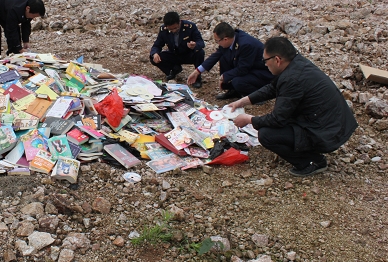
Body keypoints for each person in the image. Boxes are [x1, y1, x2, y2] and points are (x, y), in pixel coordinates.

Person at [228, 37, 358, 177]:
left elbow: (277, 119)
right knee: (275, 125)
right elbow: (272, 88)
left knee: (266, 135)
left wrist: (248, 119)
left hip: (328, 131)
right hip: (331, 121)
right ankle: (304, 149)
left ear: (277, 60)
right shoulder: (296, 63)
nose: (265, 64)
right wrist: (242, 102)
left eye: (265, 61)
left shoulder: (292, 79)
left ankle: (312, 162)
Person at [187, 22, 273, 99]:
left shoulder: (246, 44)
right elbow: (216, 55)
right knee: (224, 58)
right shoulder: (232, 40)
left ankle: (257, 96)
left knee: (237, 82)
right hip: (249, 67)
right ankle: (234, 91)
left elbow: (243, 69)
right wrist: (197, 71)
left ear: (225, 39)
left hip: (262, 72)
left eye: (217, 41)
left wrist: (224, 76)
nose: (217, 44)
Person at [149, 11, 205, 86]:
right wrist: (155, 54)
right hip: (174, 54)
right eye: (171, 29)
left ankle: (197, 78)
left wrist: (195, 45)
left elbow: (201, 42)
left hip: (188, 54)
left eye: (175, 28)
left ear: (179, 22)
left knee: (200, 53)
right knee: (153, 57)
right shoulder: (163, 30)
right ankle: (174, 69)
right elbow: (157, 45)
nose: (174, 31)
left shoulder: (190, 27)